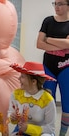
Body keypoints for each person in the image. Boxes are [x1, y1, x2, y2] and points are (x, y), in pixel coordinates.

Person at [36, 0, 69, 135]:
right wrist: (63, 44)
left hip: (66, 67)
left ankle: (62, 134)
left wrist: (48, 39)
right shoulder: (48, 21)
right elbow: (39, 44)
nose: (57, 7)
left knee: (67, 104)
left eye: (60, 4)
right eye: (55, 3)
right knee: (49, 103)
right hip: (48, 67)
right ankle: (50, 133)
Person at [8, 62, 56, 136]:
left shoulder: (47, 99)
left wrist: (28, 128)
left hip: (42, 132)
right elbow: (10, 112)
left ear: (33, 81)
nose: (19, 78)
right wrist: (12, 118)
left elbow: (50, 128)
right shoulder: (16, 94)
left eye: (22, 76)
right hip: (21, 130)